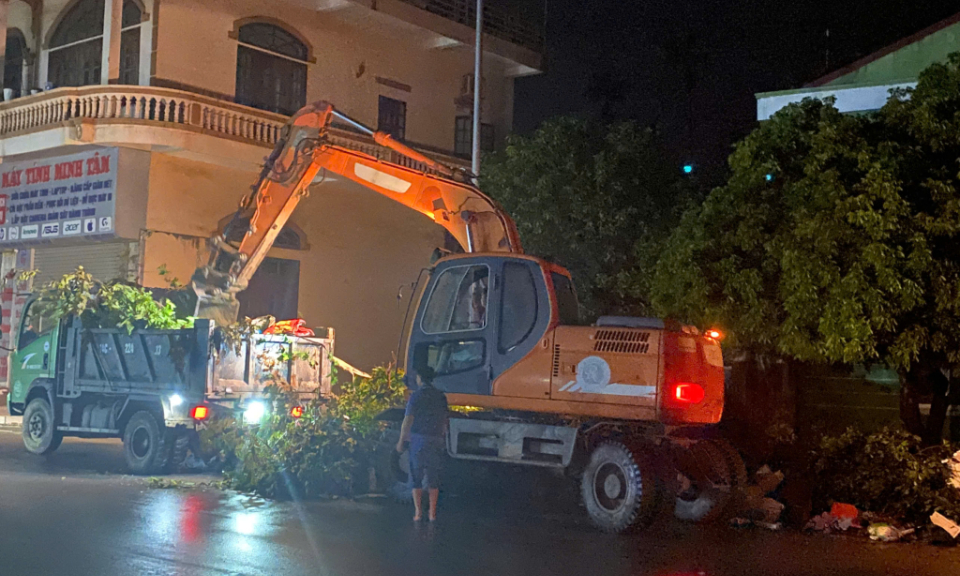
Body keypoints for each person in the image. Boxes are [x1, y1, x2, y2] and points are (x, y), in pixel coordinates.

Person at [396, 365, 448, 522]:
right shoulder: (441, 396)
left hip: (419, 439)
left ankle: (418, 513)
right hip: (436, 438)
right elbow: (445, 419)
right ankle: (432, 513)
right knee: (433, 476)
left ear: (420, 378)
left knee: (416, 476)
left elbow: (408, 420)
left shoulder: (416, 396)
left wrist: (401, 440)